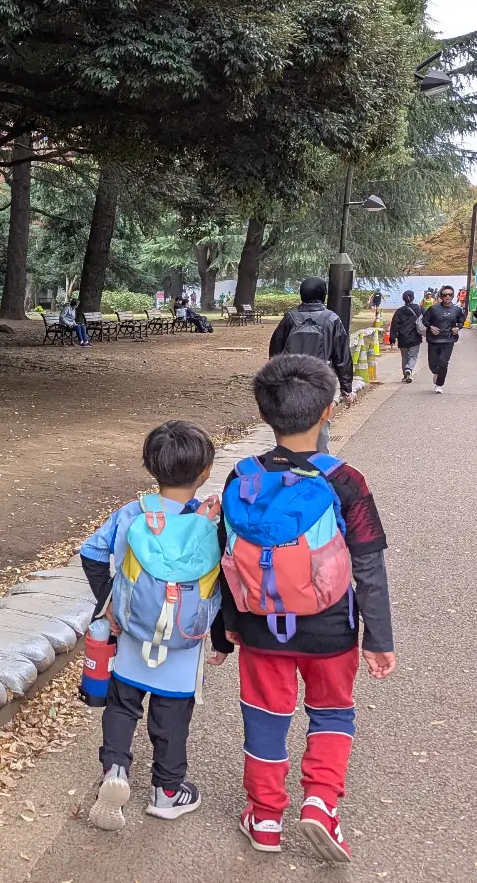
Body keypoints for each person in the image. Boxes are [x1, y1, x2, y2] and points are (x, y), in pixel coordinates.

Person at [222, 355, 395, 862]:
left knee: (264, 719)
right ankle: (320, 804)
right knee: (333, 714)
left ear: (265, 414)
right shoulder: (346, 481)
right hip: (331, 631)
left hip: (258, 628)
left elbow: (226, 556)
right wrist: (379, 639)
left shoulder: (241, 477)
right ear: (327, 412)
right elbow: (367, 566)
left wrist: (227, 629)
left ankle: (266, 818)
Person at [80, 420, 231, 832]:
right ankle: (167, 791)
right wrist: (222, 638)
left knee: (122, 704)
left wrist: (108, 604)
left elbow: (91, 551)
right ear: (205, 472)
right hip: (184, 644)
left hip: (132, 633)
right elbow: (225, 582)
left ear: (150, 466)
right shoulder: (213, 524)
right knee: (171, 715)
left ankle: (115, 771)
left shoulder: (132, 514)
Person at [268, 276, 352, 452]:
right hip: (319, 382)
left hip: (290, 382)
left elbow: (274, 353)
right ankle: (319, 466)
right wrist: (347, 388)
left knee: (289, 423)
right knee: (320, 423)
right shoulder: (332, 319)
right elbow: (342, 357)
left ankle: (289, 461)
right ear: (324, 294)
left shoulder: (290, 318)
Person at [422, 286, 466, 393]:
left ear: (453, 296)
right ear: (441, 296)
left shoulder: (457, 310)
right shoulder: (433, 309)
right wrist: (431, 327)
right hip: (433, 340)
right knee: (432, 364)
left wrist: (457, 328)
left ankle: (439, 385)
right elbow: (425, 320)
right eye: (445, 294)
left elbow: (461, 321)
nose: (447, 296)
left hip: (448, 340)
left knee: (443, 362)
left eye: (450, 294)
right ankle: (436, 373)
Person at [387, 291, 423, 383]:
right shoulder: (419, 308)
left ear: (403, 299)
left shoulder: (399, 311)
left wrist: (392, 338)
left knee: (404, 357)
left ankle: (405, 376)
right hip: (415, 337)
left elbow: (394, 325)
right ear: (413, 297)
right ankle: (409, 368)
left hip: (402, 338)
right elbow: (427, 318)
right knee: (413, 356)